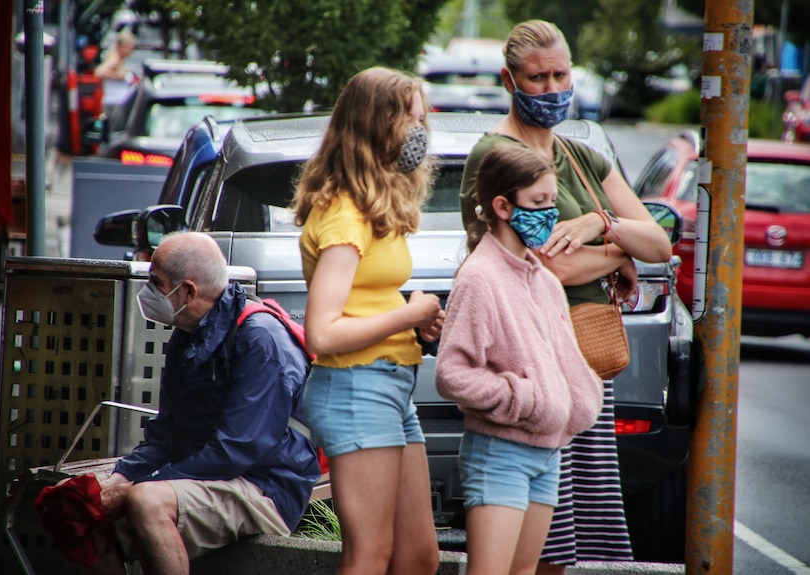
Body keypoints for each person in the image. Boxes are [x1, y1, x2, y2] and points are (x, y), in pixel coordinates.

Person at [459, 19, 673, 574]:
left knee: (574, 538)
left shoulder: (580, 153)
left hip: (586, 362)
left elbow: (658, 241)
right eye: (538, 78)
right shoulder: (496, 155)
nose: (553, 89)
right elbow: (543, 267)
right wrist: (618, 253)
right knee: (541, 543)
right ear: (510, 79)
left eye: (561, 75)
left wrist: (601, 226)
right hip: (534, 364)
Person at [83, 231, 320, 575]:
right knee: (83, 504)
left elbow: (237, 449)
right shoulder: (187, 334)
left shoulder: (259, 338)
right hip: (210, 476)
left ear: (188, 291)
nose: (147, 292)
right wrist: (119, 477)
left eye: (155, 282)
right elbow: (165, 436)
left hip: (265, 485)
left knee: (145, 501)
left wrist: (140, 486)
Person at [292, 66, 445, 575]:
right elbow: (323, 332)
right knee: (370, 557)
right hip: (356, 388)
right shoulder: (343, 216)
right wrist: (411, 312)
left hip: (388, 386)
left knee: (418, 558)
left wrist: (414, 323)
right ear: (376, 126)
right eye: (411, 120)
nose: (420, 133)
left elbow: (364, 296)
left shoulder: (371, 205)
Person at [436, 143, 604, 575]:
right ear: (503, 206)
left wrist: (576, 398)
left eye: (552, 201)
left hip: (549, 453)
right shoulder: (479, 278)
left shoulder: (544, 280)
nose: (551, 213)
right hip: (500, 452)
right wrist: (525, 398)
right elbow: (452, 375)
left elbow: (563, 359)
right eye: (539, 202)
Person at [94, 29, 137, 119]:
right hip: (114, 103)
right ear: (121, 47)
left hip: (119, 103)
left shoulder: (120, 60)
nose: (131, 51)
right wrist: (117, 76)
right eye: (129, 47)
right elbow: (99, 72)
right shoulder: (114, 59)